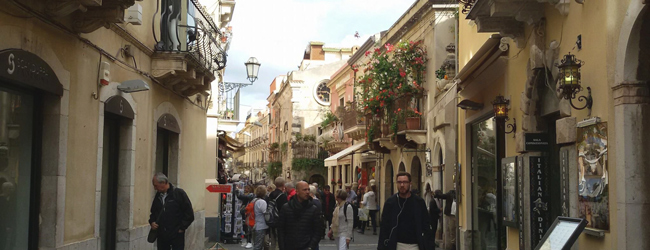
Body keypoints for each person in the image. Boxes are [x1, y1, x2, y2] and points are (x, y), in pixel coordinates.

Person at [378, 172, 434, 250]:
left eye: (405, 182)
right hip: (397, 245)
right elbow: (384, 227)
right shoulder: (390, 203)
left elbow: (426, 225)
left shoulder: (419, 202)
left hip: (415, 245)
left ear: (410, 183)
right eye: (399, 182)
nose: (402, 185)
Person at [149, 173, 194, 250]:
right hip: (162, 235)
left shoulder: (179, 194)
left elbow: (189, 213)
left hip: (176, 235)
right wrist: (152, 222)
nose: (155, 188)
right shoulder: (158, 197)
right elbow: (153, 212)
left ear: (163, 183)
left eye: (156, 185)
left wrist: (181, 228)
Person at [277, 181, 324, 250]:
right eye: (304, 190)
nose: (307, 192)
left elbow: (318, 230)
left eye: (308, 189)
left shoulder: (313, 209)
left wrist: (311, 246)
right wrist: (282, 247)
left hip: (307, 246)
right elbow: (281, 230)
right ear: (297, 191)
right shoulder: (286, 208)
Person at [268, 177, 288, 250]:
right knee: (278, 242)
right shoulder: (282, 196)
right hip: (279, 220)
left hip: (271, 219)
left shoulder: (271, 194)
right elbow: (284, 209)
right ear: (283, 184)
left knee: (272, 241)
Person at [252, 186, 269, 250]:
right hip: (261, 226)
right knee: (258, 246)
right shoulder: (262, 202)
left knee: (256, 244)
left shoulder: (254, 200)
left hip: (254, 225)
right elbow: (265, 213)